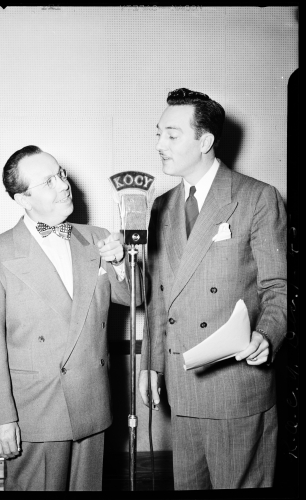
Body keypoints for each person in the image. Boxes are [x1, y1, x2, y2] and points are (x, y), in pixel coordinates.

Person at [0, 145, 141, 491]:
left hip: (93, 404)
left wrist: (121, 263)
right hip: (37, 412)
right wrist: (1, 419)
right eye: (48, 182)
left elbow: (135, 298)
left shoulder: (97, 238)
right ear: (23, 199)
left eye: (61, 174)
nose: (63, 185)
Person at [138, 88, 287, 490]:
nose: (159, 145)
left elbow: (277, 288)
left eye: (171, 135)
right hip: (182, 384)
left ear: (204, 141)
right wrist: (151, 364)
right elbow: (159, 297)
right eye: (158, 134)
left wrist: (266, 335)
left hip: (236, 384)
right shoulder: (161, 206)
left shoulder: (257, 198)